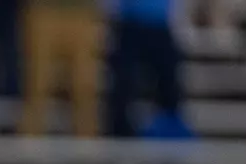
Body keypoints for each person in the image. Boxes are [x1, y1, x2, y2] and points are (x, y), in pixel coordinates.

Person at [18, 0, 104, 138]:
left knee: (84, 83)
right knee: (38, 81)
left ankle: (87, 138)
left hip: (81, 13)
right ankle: (30, 137)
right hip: (44, 11)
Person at [107, 0, 190, 139]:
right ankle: (119, 131)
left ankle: (170, 130)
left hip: (159, 25)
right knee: (122, 83)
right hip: (130, 25)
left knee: (169, 85)